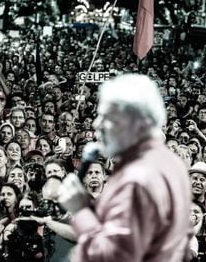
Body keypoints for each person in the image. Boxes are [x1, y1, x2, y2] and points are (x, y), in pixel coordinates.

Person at [58, 74, 191, 261]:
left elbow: (114, 256)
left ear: (136, 123)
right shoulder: (170, 162)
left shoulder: (137, 179)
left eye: (106, 117)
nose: (97, 124)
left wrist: (80, 211)